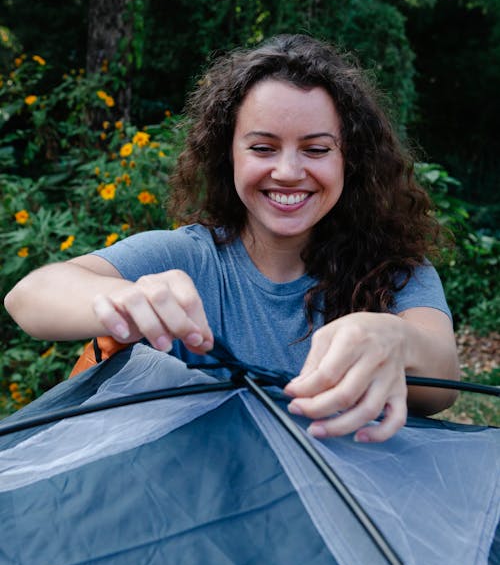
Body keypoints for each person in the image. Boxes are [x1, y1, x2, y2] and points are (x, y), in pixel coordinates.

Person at [4, 33, 460, 443]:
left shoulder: (395, 271)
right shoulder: (187, 258)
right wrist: (124, 296)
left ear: (350, 160)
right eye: (262, 148)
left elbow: (443, 378)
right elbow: (28, 298)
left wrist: (394, 340)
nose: (287, 172)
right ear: (229, 155)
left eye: (316, 149)